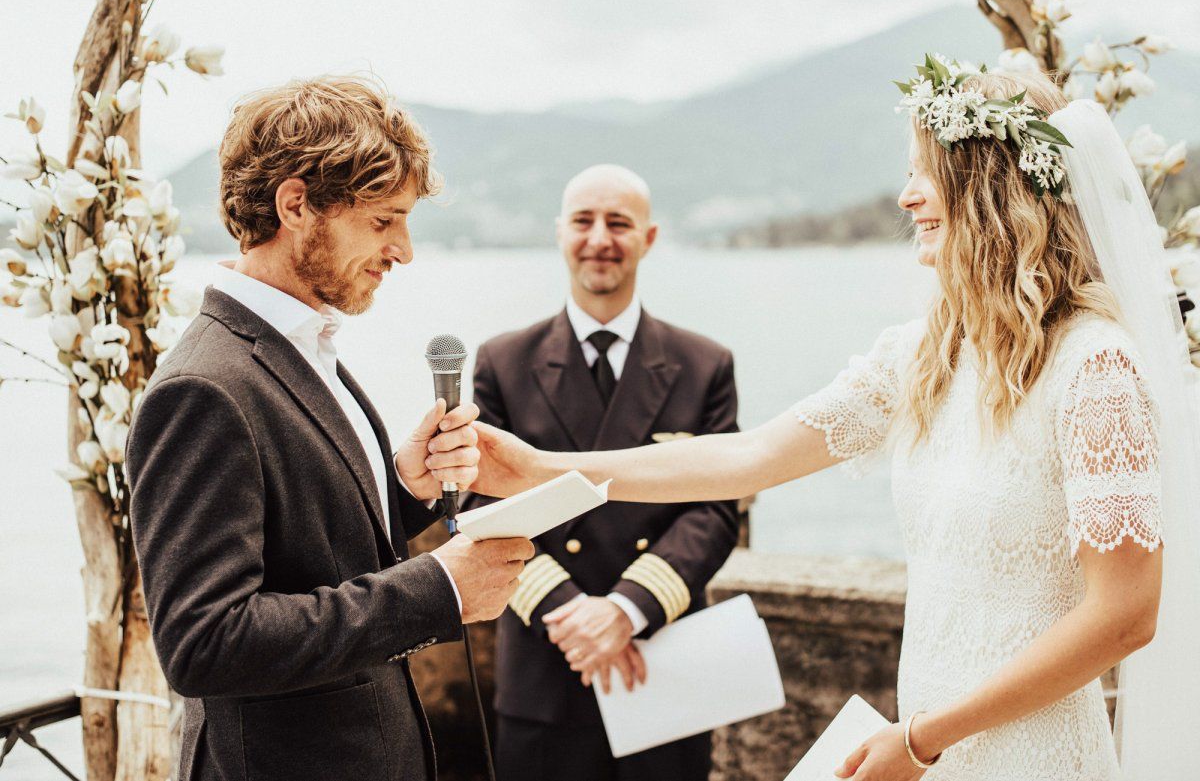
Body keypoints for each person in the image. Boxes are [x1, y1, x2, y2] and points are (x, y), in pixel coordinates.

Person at [452, 63, 1200, 780]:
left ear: (988, 186)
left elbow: (1126, 614)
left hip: (1024, 753)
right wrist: (541, 470)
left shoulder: (1094, 367)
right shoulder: (918, 356)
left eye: (922, 172)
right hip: (925, 743)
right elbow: (747, 459)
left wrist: (921, 738)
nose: (906, 197)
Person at [126, 76, 533, 781]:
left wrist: (400, 484)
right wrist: (440, 587)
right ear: (296, 204)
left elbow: (312, 547)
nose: (403, 250)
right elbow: (204, 641)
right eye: (383, 221)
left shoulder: (298, 345)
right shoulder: (203, 387)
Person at [461, 164, 740, 781]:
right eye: (584, 221)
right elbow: (481, 504)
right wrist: (572, 615)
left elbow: (717, 507)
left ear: (650, 237)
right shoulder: (504, 362)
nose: (600, 238)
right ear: (560, 233)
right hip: (546, 666)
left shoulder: (705, 365)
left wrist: (625, 609)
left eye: (619, 222)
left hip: (661, 659)